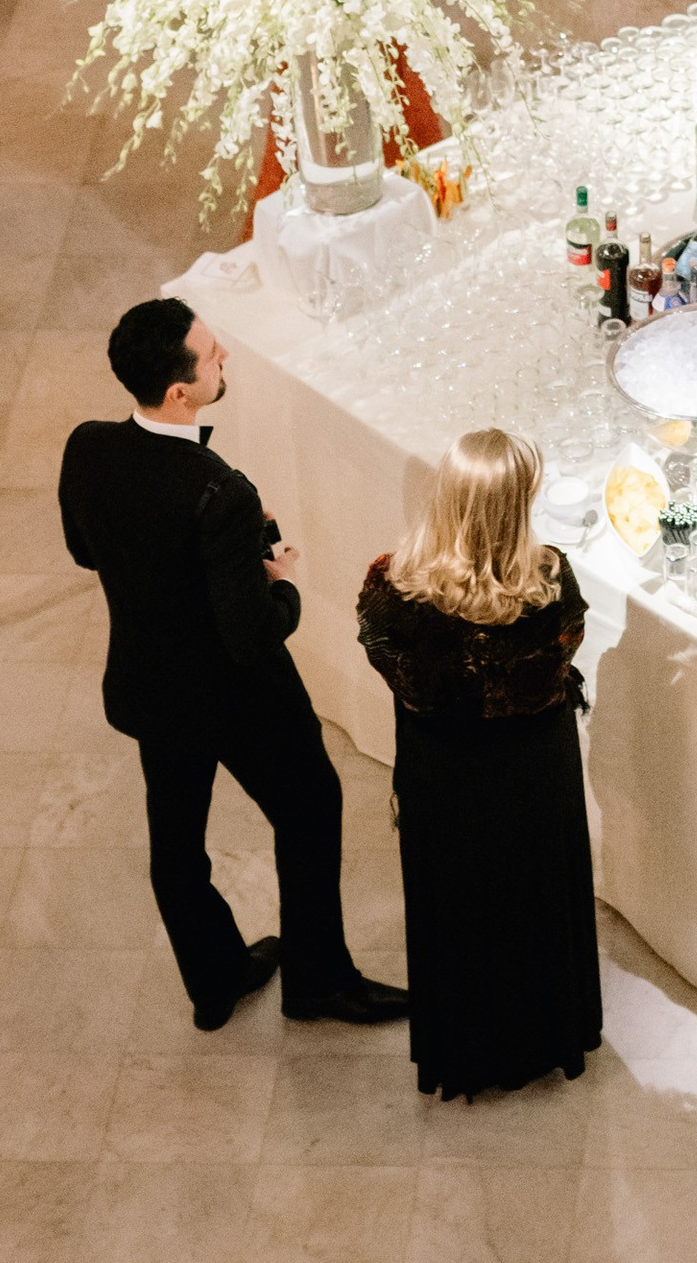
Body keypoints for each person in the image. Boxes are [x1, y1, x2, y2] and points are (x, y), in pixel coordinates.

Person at [58, 300, 408, 1033]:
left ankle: (213, 980)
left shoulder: (87, 448)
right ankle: (318, 980)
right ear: (181, 391)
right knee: (311, 809)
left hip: (153, 687)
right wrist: (276, 579)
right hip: (237, 696)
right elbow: (255, 636)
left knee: (177, 845)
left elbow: (88, 550)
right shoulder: (220, 490)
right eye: (214, 356)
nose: (226, 362)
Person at [355, 427, 601, 1101]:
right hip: (531, 771)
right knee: (534, 897)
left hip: (442, 771)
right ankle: (546, 1033)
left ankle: (464, 1048)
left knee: (457, 904)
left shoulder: (391, 585)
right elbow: (562, 658)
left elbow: (383, 657)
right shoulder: (548, 580)